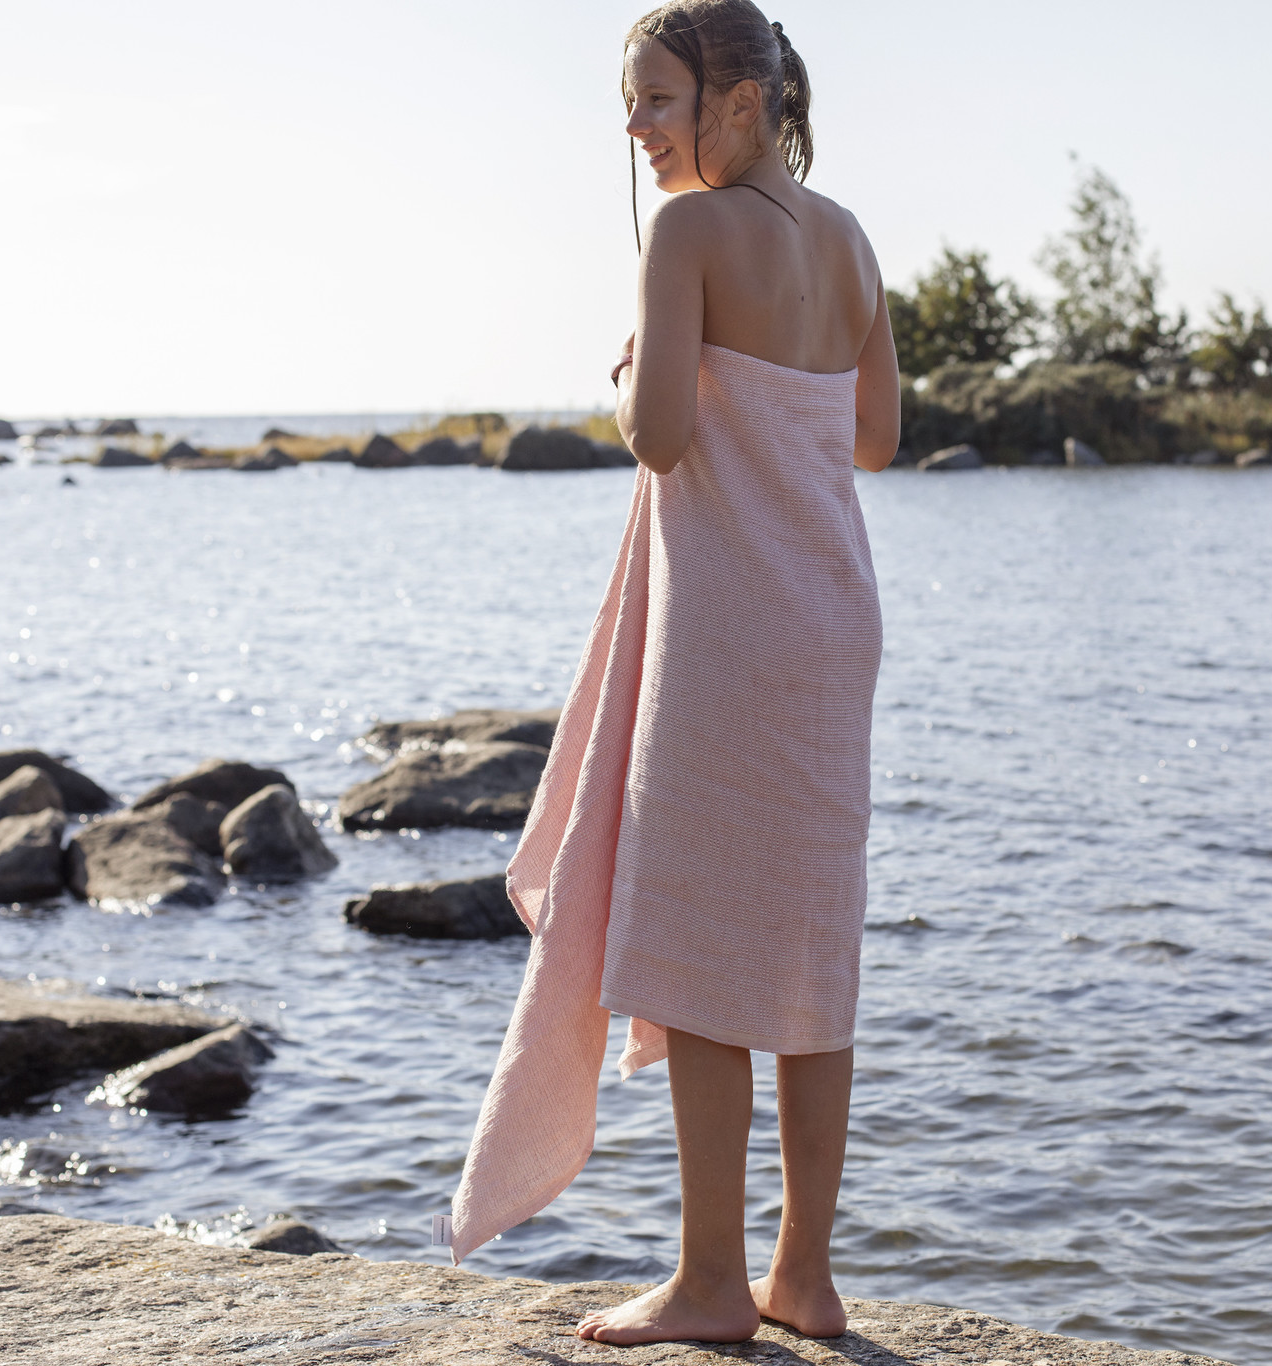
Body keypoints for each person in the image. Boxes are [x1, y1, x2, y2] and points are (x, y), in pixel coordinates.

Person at [446, 0, 899, 1347]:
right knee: (809, 953)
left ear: (741, 101)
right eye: (630, 107)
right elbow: (875, 437)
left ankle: (711, 1281)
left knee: (703, 952)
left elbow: (654, 438)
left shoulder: (689, 233)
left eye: (658, 101)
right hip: (832, 626)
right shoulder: (852, 237)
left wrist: (642, 366)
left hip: (729, 631)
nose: (639, 131)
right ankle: (803, 1276)